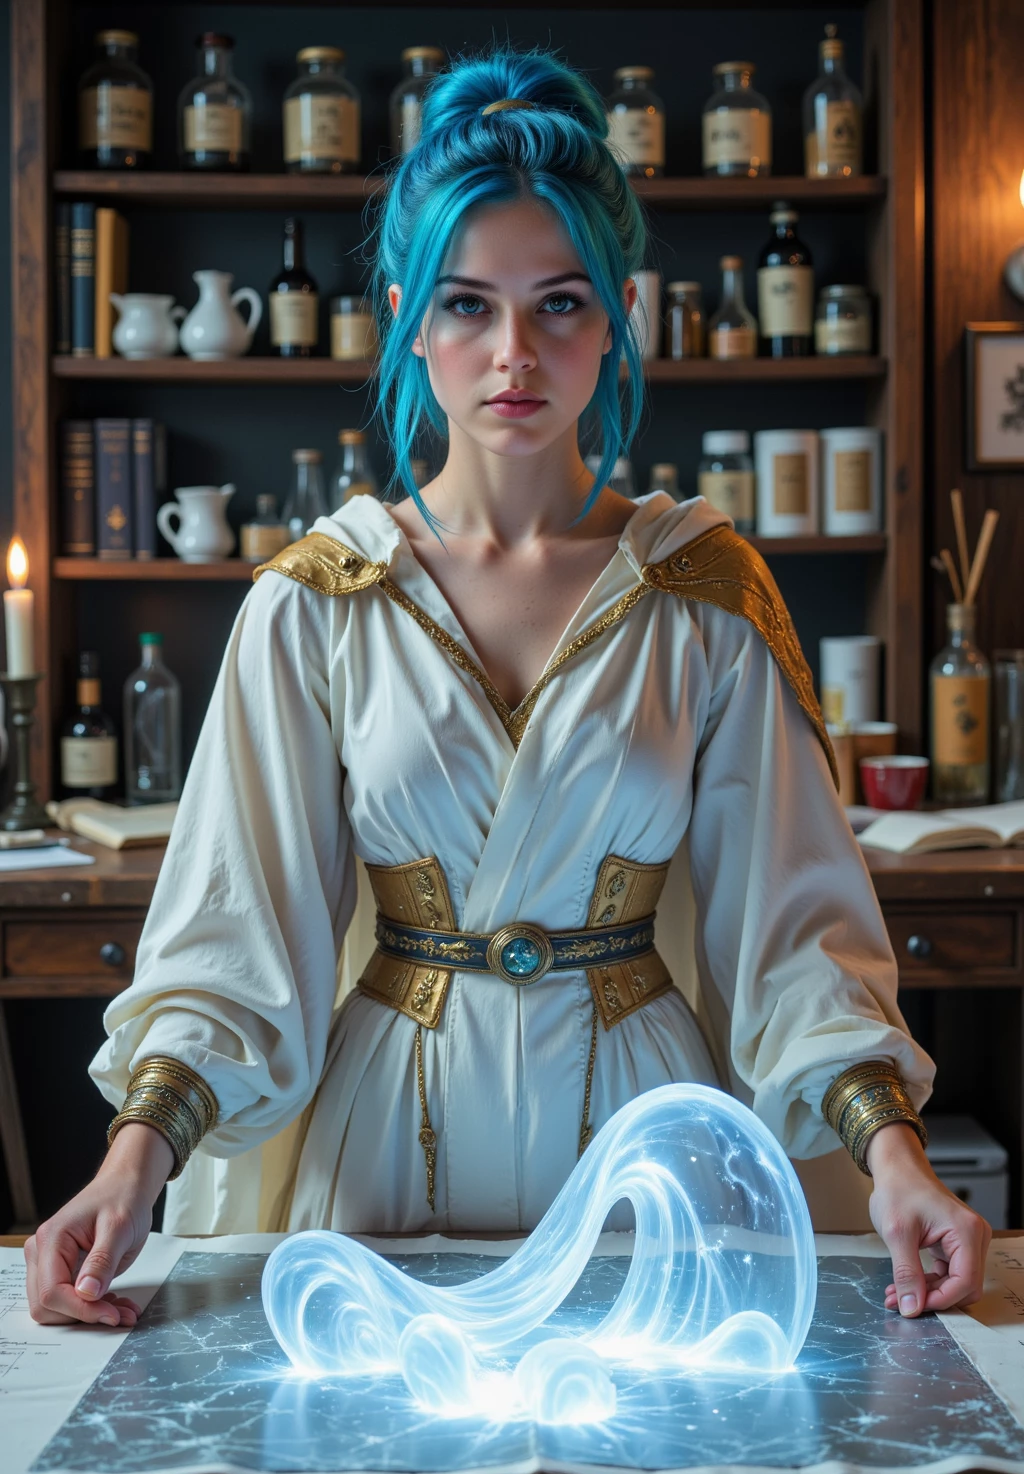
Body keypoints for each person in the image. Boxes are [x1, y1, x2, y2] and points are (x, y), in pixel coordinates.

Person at [27, 46, 988, 1330]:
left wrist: (895, 1158)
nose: (513, 353)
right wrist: (128, 1162)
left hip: (649, 1151)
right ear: (407, 316)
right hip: (381, 1151)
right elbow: (233, 935)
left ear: (619, 316)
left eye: (561, 303)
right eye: (469, 303)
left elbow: (793, 931)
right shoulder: (314, 603)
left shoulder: (704, 594)